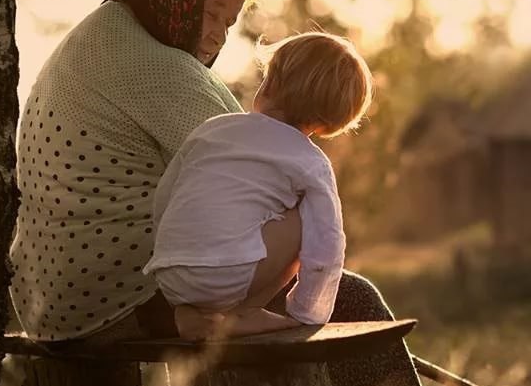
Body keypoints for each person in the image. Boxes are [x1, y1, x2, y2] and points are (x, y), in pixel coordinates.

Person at [9, 0, 431, 386]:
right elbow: (262, 194)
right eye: (210, 13)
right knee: (350, 300)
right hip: (113, 296)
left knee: (238, 274)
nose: (216, 34)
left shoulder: (101, 37)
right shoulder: (163, 72)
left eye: (229, 22)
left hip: (48, 293)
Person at [144, 32, 373, 341]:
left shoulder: (212, 130)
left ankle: (191, 314)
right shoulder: (310, 161)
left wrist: (171, 252)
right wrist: (308, 312)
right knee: (307, 220)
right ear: (330, 122)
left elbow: (165, 198)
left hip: (169, 274)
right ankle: (244, 312)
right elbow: (327, 243)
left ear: (270, 84)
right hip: (227, 276)